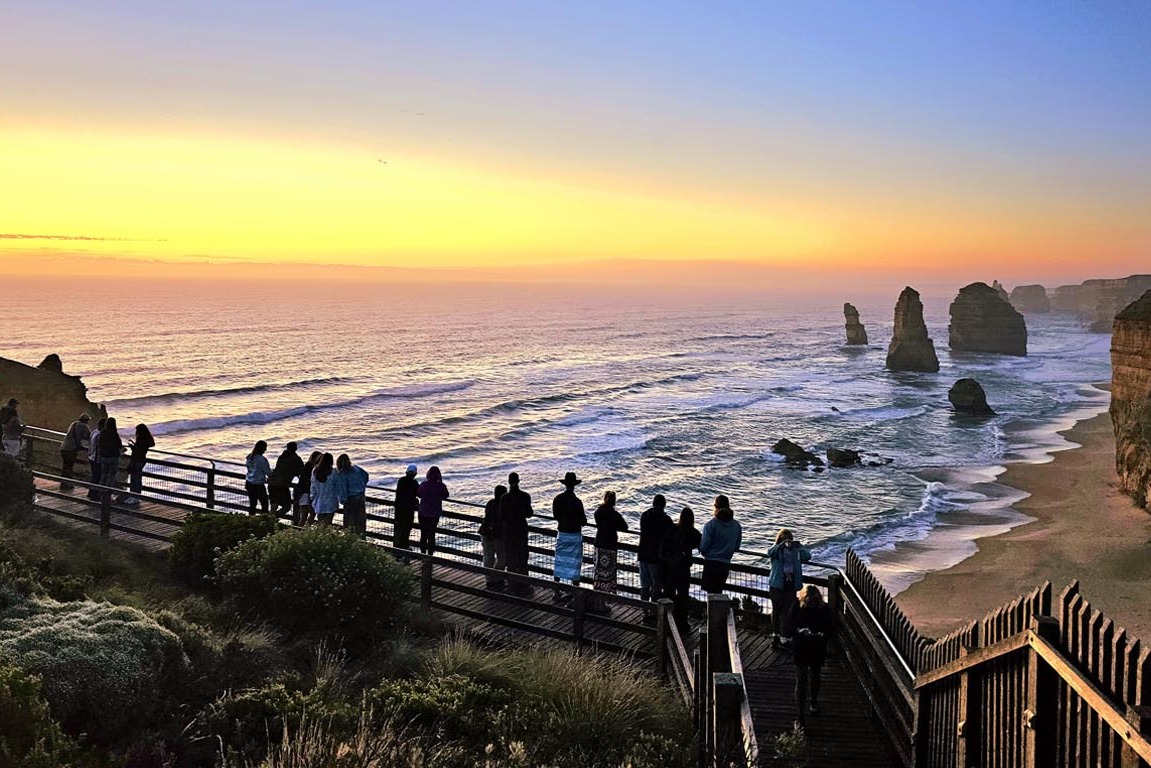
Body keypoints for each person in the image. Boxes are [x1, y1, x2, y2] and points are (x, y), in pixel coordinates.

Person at [791, 584, 833, 726]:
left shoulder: (801, 606)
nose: (811, 602)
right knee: (808, 676)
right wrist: (802, 631)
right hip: (809, 646)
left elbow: (830, 628)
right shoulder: (822, 608)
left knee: (806, 678)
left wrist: (819, 634)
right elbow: (789, 625)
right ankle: (806, 708)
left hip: (809, 646)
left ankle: (806, 709)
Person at [768, 527, 812, 648]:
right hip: (777, 585)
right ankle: (775, 634)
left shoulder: (795, 551)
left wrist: (799, 546)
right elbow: (769, 552)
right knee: (776, 611)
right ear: (779, 539)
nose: (787, 541)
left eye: (789, 539)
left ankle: (784, 637)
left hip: (790, 585)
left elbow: (807, 556)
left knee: (787, 612)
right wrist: (780, 545)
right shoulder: (777, 550)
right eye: (784, 539)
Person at [662, 506, 702, 630]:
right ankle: (682, 622)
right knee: (683, 595)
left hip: (670, 566)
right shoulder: (693, 533)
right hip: (684, 568)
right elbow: (701, 544)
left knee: (669, 593)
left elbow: (663, 543)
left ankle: (668, 621)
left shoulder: (673, 529)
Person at [551, 471, 587, 601]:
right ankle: (575, 592)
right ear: (574, 485)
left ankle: (556, 591)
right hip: (575, 535)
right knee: (575, 563)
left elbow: (556, 516)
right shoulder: (577, 502)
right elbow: (584, 521)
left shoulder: (558, 499)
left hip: (563, 533)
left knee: (559, 561)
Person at [591, 490, 628, 613]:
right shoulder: (614, 514)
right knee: (607, 575)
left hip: (599, 544)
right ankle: (602, 603)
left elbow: (597, 521)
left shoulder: (599, 511)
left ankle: (597, 601)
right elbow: (625, 527)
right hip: (610, 546)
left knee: (598, 572)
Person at [499, 472, 534, 596]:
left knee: (511, 558)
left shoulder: (504, 498)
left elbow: (501, 516)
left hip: (509, 531)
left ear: (509, 482)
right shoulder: (525, 496)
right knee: (523, 557)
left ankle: (512, 585)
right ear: (518, 481)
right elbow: (529, 513)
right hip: (521, 529)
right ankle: (524, 584)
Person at [699, 495, 742, 594]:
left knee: (711, 595)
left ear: (715, 507)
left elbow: (704, 549)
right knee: (718, 592)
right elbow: (736, 547)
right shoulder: (736, 526)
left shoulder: (710, 525)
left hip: (711, 564)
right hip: (725, 564)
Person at [638, 494, 673, 603]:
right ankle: (653, 609)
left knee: (644, 585)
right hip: (656, 557)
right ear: (664, 505)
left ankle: (644, 607)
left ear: (653, 504)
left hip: (643, 554)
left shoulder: (645, 516)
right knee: (656, 585)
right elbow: (669, 537)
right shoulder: (666, 520)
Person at [118, 423, 154, 505]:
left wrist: (132, 447)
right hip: (141, 460)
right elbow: (141, 450)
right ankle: (135, 496)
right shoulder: (146, 439)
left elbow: (138, 451)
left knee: (135, 479)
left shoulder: (141, 439)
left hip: (137, 460)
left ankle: (134, 496)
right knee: (136, 478)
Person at [417, 465, 449, 556]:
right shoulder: (441, 486)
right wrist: (441, 482)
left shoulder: (424, 484)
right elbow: (445, 495)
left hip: (423, 512)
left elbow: (418, 494)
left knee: (423, 534)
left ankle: (422, 554)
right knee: (431, 535)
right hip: (434, 514)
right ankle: (430, 555)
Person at [335, 453, 370, 536]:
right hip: (361, 496)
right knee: (361, 520)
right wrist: (362, 485)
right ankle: (362, 538)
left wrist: (342, 500)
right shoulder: (356, 468)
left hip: (351, 499)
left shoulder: (342, 474)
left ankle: (350, 540)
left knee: (349, 522)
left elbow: (342, 488)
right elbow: (366, 475)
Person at [480, 484, 507, 589]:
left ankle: (489, 579)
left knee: (488, 558)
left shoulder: (490, 503)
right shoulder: (503, 506)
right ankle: (497, 578)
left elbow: (487, 517)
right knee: (501, 558)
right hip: (497, 534)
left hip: (485, 532)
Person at [268, 442, 305, 519]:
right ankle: (274, 518)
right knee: (287, 507)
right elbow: (301, 471)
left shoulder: (282, 457)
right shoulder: (295, 459)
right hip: (282, 485)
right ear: (296, 448)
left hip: (272, 482)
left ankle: (270, 520)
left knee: (274, 505)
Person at [59, 413, 92, 489]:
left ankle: (63, 484)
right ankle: (66, 485)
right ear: (86, 420)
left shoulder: (73, 424)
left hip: (63, 447)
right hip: (71, 449)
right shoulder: (84, 426)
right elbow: (90, 436)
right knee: (69, 467)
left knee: (65, 467)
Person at [393, 464, 420, 550]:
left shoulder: (401, 481)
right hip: (409, 510)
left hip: (399, 508)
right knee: (406, 529)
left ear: (406, 472)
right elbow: (418, 493)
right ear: (415, 474)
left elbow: (398, 495)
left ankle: (398, 548)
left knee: (399, 529)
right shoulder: (414, 483)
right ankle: (404, 547)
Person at [294, 450, 322, 526]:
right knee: (310, 514)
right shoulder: (312, 468)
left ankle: (302, 530)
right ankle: (305, 530)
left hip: (304, 493)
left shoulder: (308, 466)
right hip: (307, 493)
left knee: (304, 515)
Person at [310, 453, 338, 526]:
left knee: (320, 522)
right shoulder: (333, 472)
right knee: (328, 523)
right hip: (330, 501)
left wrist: (312, 497)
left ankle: (319, 536)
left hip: (319, 501)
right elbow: (337, 487)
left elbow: (313, 486)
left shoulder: (315, 471)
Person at [97, 416, 124, 494]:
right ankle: (107, 492)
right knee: (111, 475)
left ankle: (101, 491)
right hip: (113, 456)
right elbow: (119, 444)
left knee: (103, 474)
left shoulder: (103, 433)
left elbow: (99, 443)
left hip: (104, 456)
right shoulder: (114, 433)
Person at [244, 440, 272, 515]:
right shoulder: (261, 459)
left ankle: (250, 519)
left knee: (253, 503)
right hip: (258, 485)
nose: (266, 449)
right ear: (261, 448)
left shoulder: (250, 456)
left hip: (249, 482)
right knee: (265, 504)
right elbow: (268, 472)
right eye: (265, 448)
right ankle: (264, 520)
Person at [86, 417, 106, 499]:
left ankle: (91, 493)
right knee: (97, 477)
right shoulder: (100, 435)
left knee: (94, 477)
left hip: (91, 457)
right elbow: (100, 448)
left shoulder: (94, 432)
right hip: (97, 459)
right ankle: (94, 495)